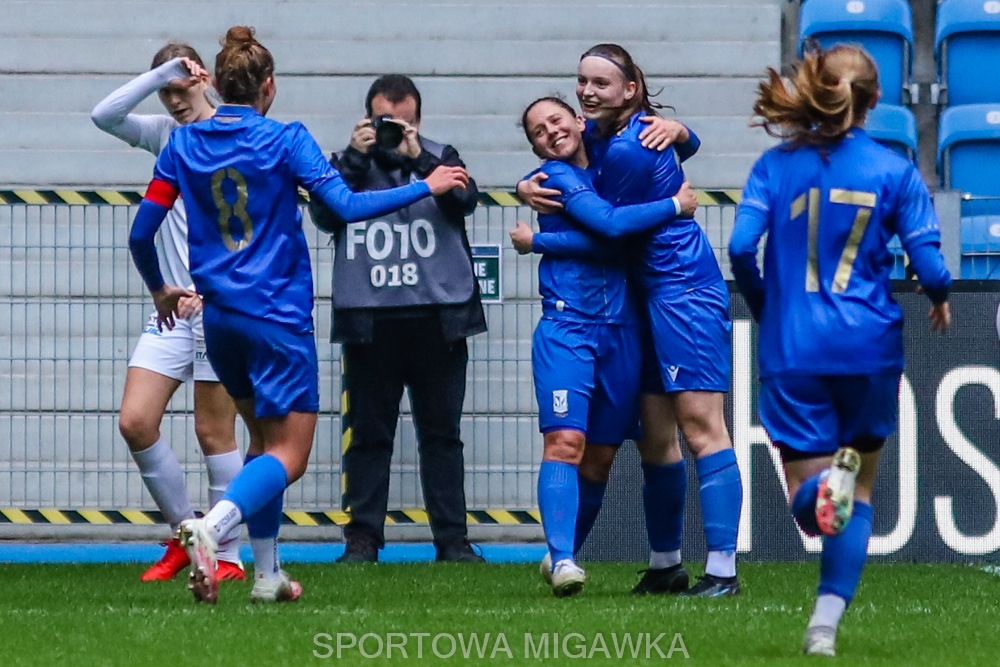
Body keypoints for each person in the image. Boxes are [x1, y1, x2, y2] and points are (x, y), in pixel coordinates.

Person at [127, 26, 468, 604]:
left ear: (218, 84)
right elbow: (346, 206)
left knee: (262, 444)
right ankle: (213, 527)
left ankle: (267, 575)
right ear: (269, 86)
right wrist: (425, 186)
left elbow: (141, 233)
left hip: (220, 322)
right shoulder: (286, 138)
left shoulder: (182, 145)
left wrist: (160, 288)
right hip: (277, 318)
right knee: (289, 455)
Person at [729, 45, 952, 656]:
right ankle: (823, 627)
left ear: (814, 86)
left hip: (793, 345)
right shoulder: (893, 170)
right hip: (868, 347)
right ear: (876, 99)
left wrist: (768, 305)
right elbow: (931, 265)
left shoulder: (774, 166)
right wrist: (938, 297)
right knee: (859, 492)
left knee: (813, 507)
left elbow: (741, 247)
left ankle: (821, 489)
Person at [518, 44, 743, 597]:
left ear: (630, 89)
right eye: (582, 81)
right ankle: (666, 565)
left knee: (702, 427)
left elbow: (609, 228)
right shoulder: (606, 136)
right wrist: (683, 133)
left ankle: (723, 571)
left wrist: (536, 240)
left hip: (681, 290)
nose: (588, 91)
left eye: (601, 83)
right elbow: (577, 161)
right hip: (643, 298)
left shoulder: (624, 149)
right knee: (657, 439)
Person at [309, 75, 486, 564]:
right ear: (366, 119)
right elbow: (324, 217)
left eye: (403, 124)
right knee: (368, 437)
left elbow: (465, 202)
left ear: (418, 121)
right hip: (371, 320)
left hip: (439, 318)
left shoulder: (441, 157)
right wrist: (355, 157)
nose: (393, 132)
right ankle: (362, 540)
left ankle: (453, 542)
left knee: (442, 437)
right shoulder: (344, 167)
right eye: (384, 122)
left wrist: (420, 157)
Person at [91, 44, 245, 582]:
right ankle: (188, 534)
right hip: (173, 310)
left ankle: (229, 557)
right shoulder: (165, 135)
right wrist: (159, 74)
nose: (174, 100)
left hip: (219, 306)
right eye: (165, 92)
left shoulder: (230, 129)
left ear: (203, 80)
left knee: (213, 433)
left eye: (182, 88)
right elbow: (104, 115)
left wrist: (219, 289)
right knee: (135, 421)